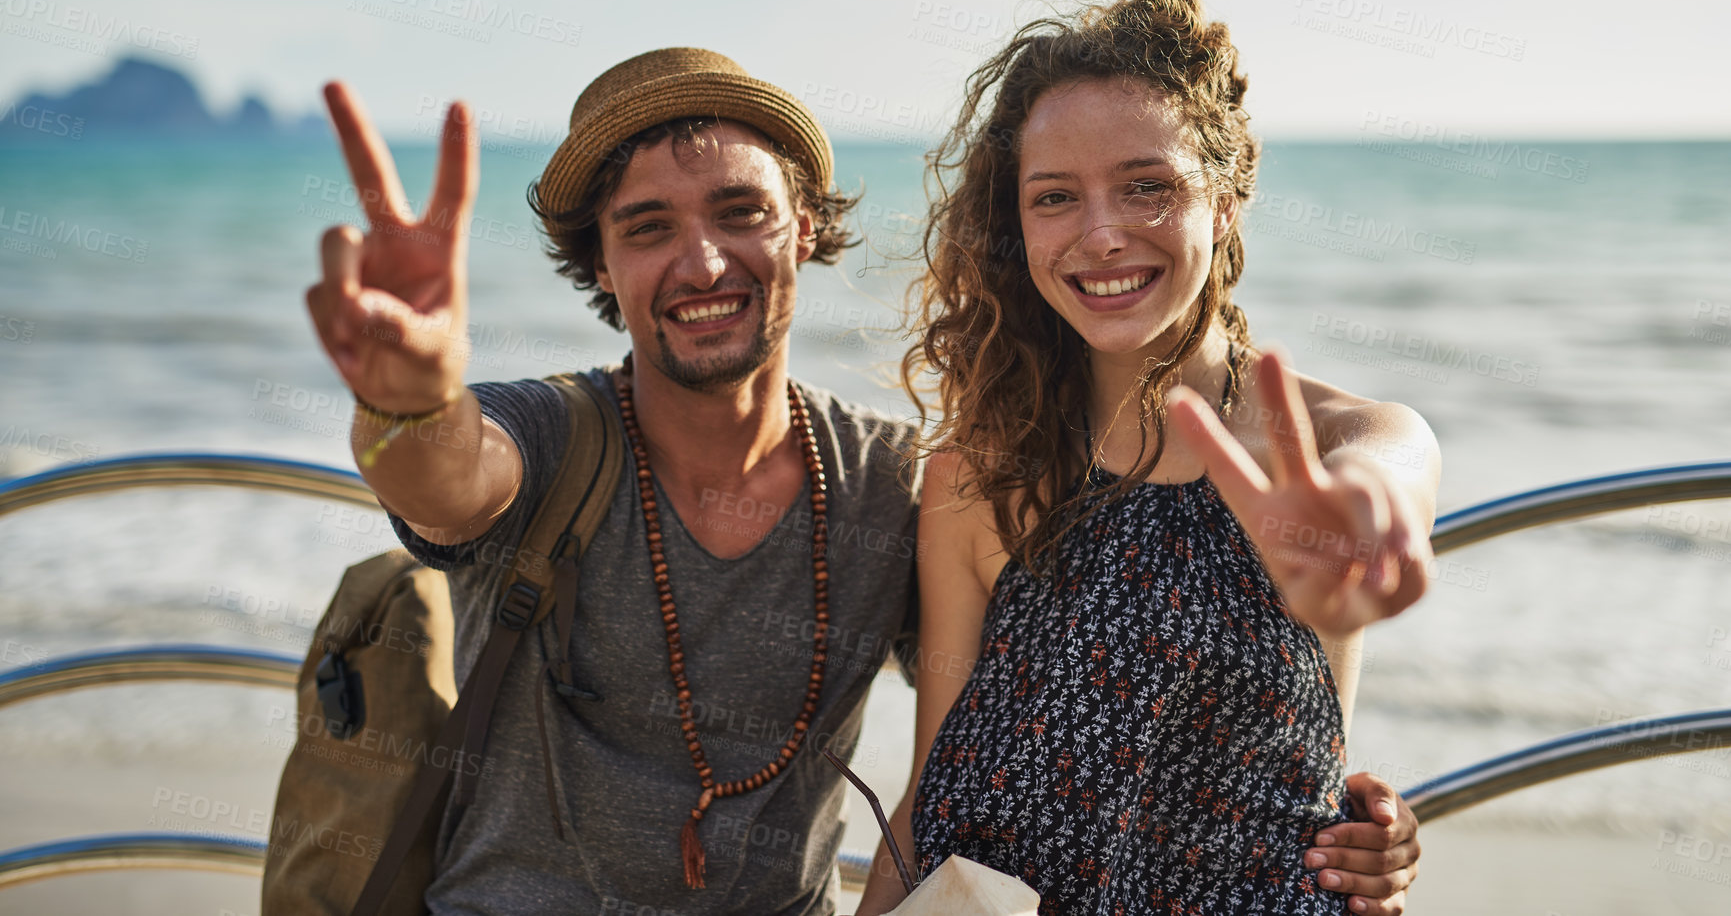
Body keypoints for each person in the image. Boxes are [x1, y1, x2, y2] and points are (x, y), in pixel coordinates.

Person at [303, 45, 1423, 914]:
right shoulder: (552, 439)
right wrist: (408, 399)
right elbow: (446, 478)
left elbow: (1023, 720)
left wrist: (1342, 799)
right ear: (601, 265)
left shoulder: (893, 483)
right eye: (648, 228)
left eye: (741, 211)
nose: (701, 262)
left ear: (805, 231)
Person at [858, 0, 1438, 916]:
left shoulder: (1339, 444)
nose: (1100, 234)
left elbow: (1380, 494)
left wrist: (1363, 531)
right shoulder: (977, 474)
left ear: (1228, 194)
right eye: (1054, 197)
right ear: (1017, 224)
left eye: (1146, 186)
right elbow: (932, 794)